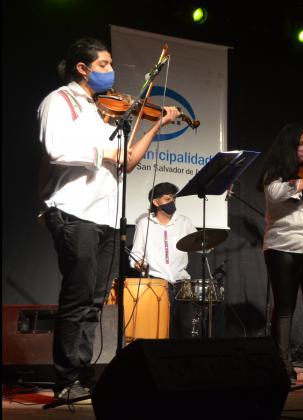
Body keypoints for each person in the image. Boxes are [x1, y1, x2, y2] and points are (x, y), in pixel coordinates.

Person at [38, 37, 179, 402]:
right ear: (82, 68)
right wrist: (105, 150)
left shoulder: (101, 113)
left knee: (96, 300)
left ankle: (82, 377)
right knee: (78, 295)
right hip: (73, 211)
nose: (110, 71)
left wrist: (155, 125)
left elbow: (127, 159)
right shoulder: (60, 101)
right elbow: (56, 149)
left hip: (104, 216)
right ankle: (67, 380)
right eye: (103, 64)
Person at [259, 123, 303, 385]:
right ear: (289, 147)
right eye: (301, 143)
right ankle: (284, 370)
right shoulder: (274, 173)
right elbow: (277, 193)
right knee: (285, 309)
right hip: (283, 246)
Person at [130, 182, 197, 338]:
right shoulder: (144, 223)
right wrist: (138, 263)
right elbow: (135, 254)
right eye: (167, 199)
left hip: (182, 282)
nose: (172, 202)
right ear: (156, 202)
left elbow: (201, 245)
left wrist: (209, 242)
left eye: (173, 199)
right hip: (156, 282)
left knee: (184, 330)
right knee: (159, 330)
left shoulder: (184, 222)